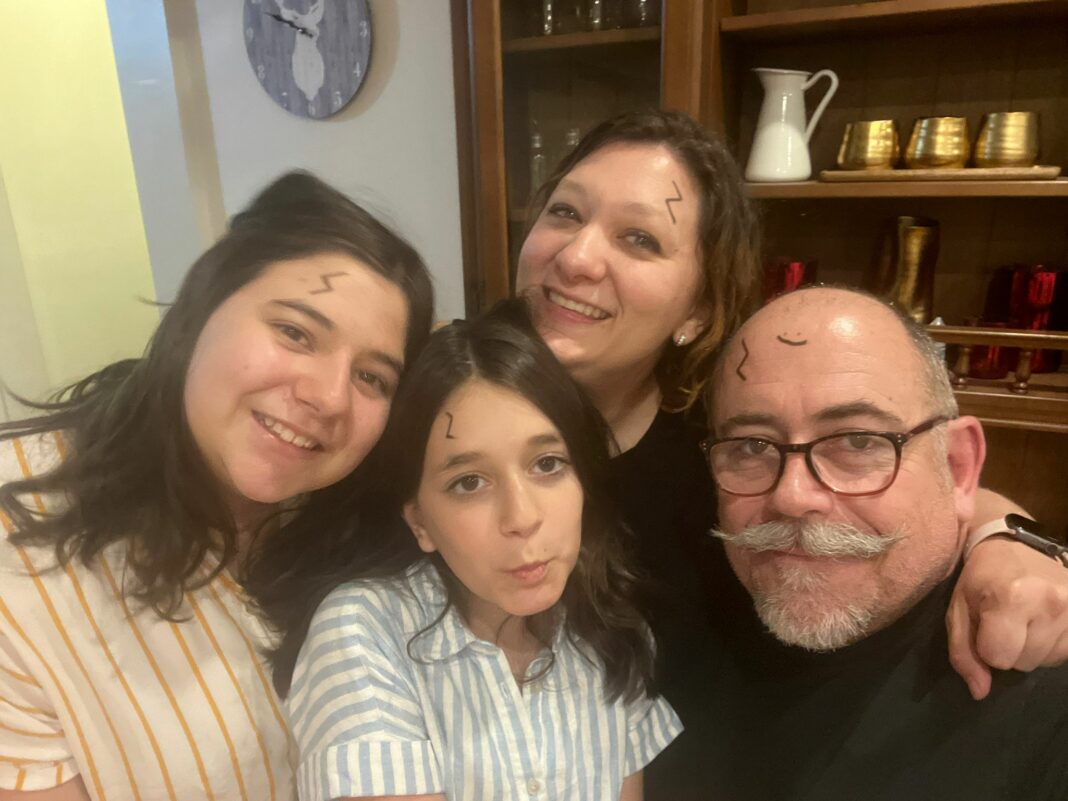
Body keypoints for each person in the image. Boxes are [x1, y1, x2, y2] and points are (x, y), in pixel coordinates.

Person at [511, 109, 1068, 762]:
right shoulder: (444, 396)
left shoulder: (725, 449)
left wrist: (1009, 540)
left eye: (639, 238)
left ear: (699, 309)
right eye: (565, 212)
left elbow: (920, 477)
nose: (576, 257)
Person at [0, 172, 434, 801]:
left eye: (372, 378)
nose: (329, 397)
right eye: (295, 332)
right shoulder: (22, 546)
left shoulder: (376, 528)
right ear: (200, 307)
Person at [284, 300, 681, 801]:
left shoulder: (613, 635)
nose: (521, 517)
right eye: (469, 482)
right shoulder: (365, 629)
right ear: (419, 521)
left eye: (548, 464)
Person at [689, 286, 1068, 799]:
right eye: (752, 447)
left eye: (858, 441)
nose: (792, 496)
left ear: (958, 467)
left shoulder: (1046, 706)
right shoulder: (681, 615)